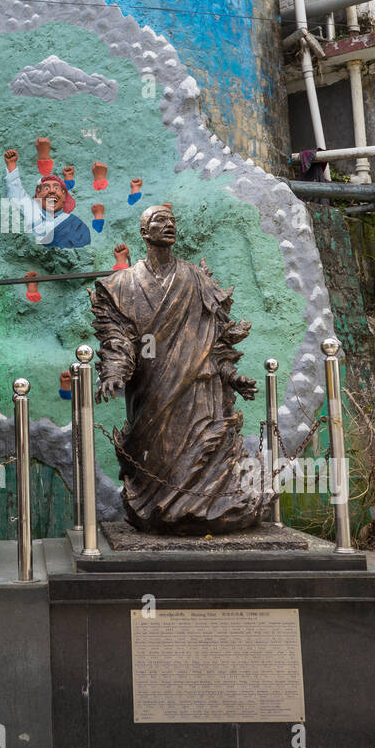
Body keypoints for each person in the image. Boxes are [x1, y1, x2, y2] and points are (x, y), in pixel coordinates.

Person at [91, 202, 262, 534]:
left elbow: (216, 340)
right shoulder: (123, 285)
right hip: (152, 391)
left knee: (203, 456)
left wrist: (231, 377)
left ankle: (209, 505)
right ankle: (158, 510)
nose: (169, 224)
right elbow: (118, 337)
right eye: (159, 221)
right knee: (159, 461)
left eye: (171, 220)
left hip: (200, 392)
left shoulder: (196, 280)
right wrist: (113, 370)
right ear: (145, 232)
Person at [2, 149, 91, 248]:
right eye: (46, 188)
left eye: (56, 188)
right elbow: (17, 195)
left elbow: (83, 246)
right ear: (37, 196)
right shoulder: (33, 212)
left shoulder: (74, 223)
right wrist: (11, 166)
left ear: (64, 198)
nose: (52, 191)